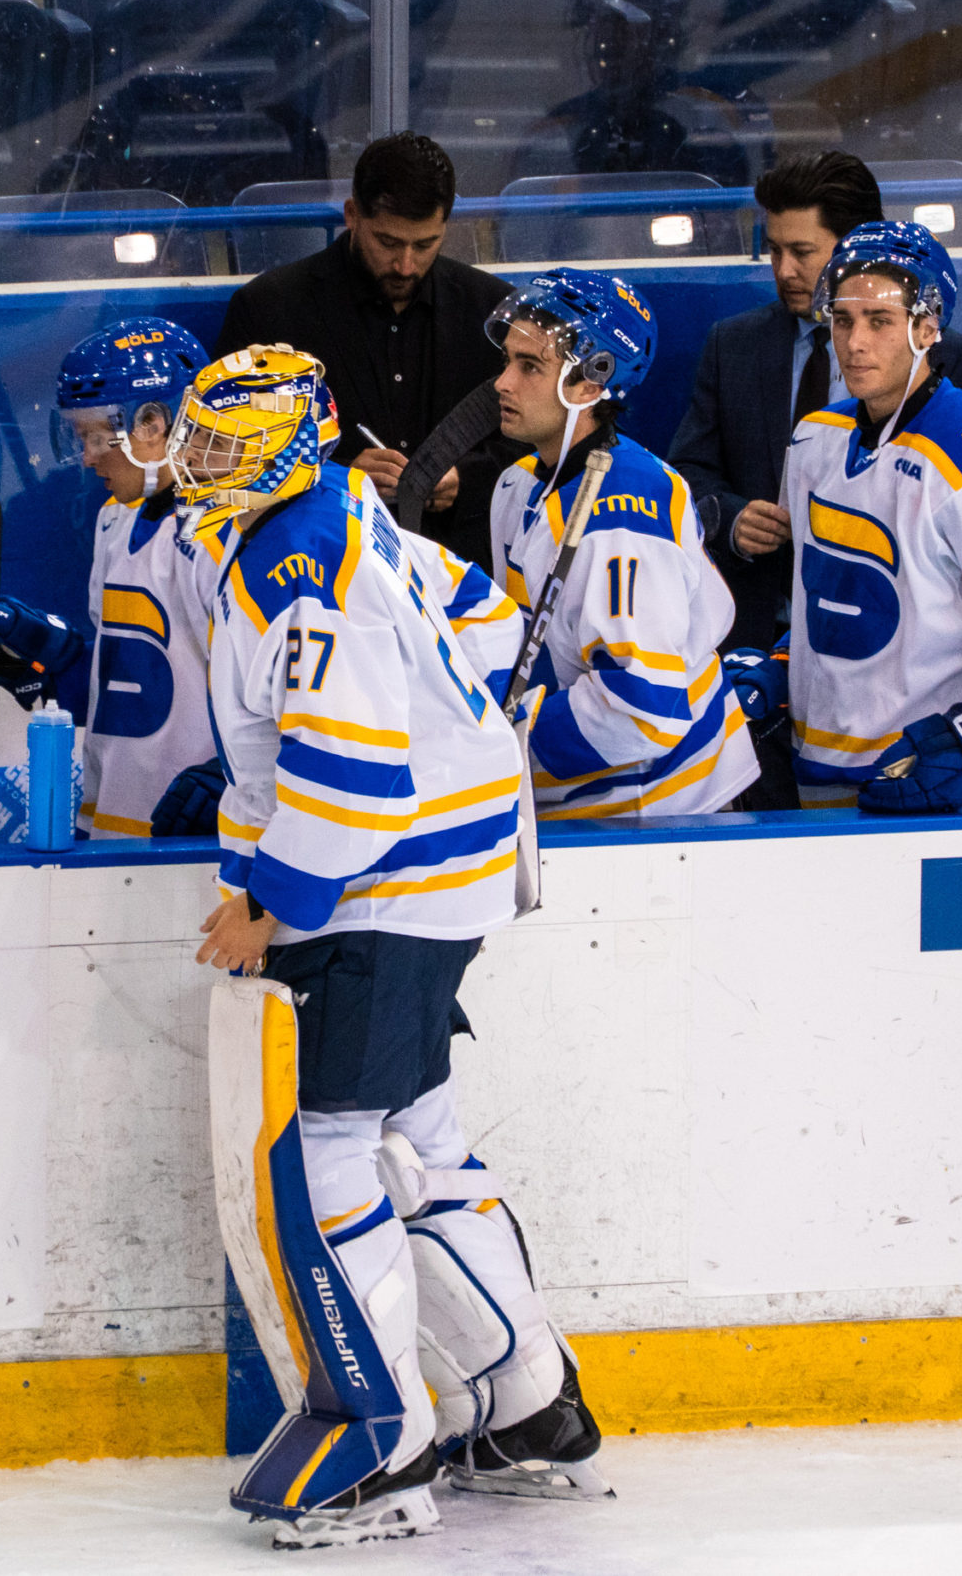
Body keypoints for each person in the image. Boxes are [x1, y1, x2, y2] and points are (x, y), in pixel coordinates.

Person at [175, 347, 603, 1547]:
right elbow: (486, 623)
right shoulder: (343, 513)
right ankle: (524, 1406)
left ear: (285, 444)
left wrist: (270, 900)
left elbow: (356, 782)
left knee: (322, 1149)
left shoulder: (302, 561)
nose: (198, 465)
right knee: (421, 1136)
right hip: (445, 882)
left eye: (222, 443)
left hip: (378, 896)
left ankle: (382, 1439)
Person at [727, 221, 962, 813]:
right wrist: (786, 668)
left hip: (956, 786)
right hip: (826, 775)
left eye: (879, 322)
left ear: (926, 328)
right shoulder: (816, 439)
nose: (854, 343)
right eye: (843, 321)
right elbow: (845, 599)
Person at [667, 152, 962, 808]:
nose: (786, 271)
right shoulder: (733, 344)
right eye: (774, 250)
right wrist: (729, 518)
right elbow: (683, 479)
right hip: (760, 660)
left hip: (896, 693)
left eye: (803, 251)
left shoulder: (951, 361)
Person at [482, 269, 756, 820]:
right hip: (587, 803)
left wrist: (493, 748)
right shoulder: (516, 485)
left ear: (591, 381)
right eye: (508, 360)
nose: (502, 383)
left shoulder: (624, 512)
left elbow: (642, 709)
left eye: (529, 365)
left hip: (666, 811)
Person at [211, 133, 517, 570]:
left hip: (465, 573)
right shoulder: (267, 309)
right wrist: (338, 475)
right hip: (316, 568)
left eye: (425, 244)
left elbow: (533, 441)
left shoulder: (494, 312)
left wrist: (465, 478)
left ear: (447, 225)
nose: (406, 265)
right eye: (389, 243)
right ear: (352, 215)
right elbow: (224, 453)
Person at [47, 317, 228, 839]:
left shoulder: (229, 530)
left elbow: (291, 698)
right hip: (115, 827)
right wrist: (56, 656)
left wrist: (238, 775)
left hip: (202, 841)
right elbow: (130, 681)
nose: (86, 457)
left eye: (99, 438)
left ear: (153, 424)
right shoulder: (114, 518)